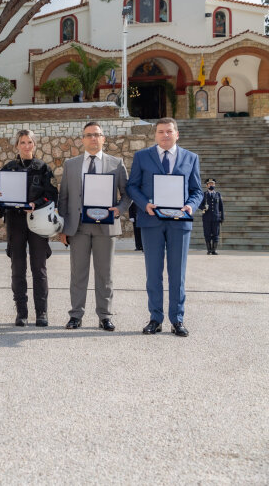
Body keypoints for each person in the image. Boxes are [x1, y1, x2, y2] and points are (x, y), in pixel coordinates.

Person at [126, 117, 202, 337]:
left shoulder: (191, 158)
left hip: (180, 223)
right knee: (153, 273)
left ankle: (177, 320)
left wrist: (190, 205)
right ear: (155, 134)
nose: (165, 135)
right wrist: (144, 204)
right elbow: (132, 186)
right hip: (151, 221)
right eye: (161, 131)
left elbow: (197, 190)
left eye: (169, 131)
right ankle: (155, 318)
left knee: (177, 273)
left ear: (177, 134)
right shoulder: (142, 157)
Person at [58, 121, 130, 332]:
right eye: (88, 135)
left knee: (105, 274)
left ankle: (105, 316)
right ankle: (76, 315)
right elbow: (64, 198)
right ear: (82, 139)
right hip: (78, 227)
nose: (93, 138)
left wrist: (119, 209)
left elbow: (127, 194)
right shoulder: (71, 165)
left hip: (105, 227)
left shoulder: (116, 163)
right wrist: (63, 227)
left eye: (97, 135)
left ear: (103, 138)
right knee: (78, 273)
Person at [0, 129, 58, 327]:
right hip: (16, 223)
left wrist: (36, 204)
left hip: (37, 221)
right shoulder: (8, 169)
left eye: (30, 142)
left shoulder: (43, 169)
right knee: (17, 268)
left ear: (35, 145)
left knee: (39, 268)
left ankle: (41, 313)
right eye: (22, 142)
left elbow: (52, 195)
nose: (26, 146)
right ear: (17, 146)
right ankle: (21, 313)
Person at [199, 178, 224, 255]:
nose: (211, 185)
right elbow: (199, 205)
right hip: (206, 217)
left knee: (216, 234)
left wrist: (222, 217)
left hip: (216, 218)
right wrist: (203, 208)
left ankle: (214, 250)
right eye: (209, 184)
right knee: (207, 233)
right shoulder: (204, 194)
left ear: (214, 185)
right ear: (207, 185)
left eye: (212, 184)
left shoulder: (218, 194)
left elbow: (221, 207)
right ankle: (209, 249)